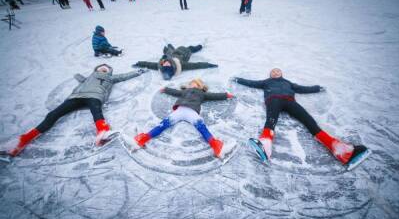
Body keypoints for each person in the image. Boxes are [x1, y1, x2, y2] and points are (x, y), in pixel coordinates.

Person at [233, 68, 371, 169]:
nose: (275, 73)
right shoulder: (266, 82)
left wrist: (317, 88)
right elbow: (252, 83)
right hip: (273, 100)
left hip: (290, 102)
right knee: (271, 120)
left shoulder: (288, 83)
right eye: (273, 72)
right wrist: (238, 79)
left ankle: (341, 150)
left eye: (278, 71)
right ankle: (265, 146)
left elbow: (303, 89)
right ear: (270, 75)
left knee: (310, 121)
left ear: (282, 74)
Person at [7, 64, 148, 157]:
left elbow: (124, 76)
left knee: (96, 111)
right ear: (96, 69)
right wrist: (77, 74)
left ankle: (102, 131)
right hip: (75, 97)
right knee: (53, 114)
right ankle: (25, 138)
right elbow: (78, 77)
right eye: (101, 68)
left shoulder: (111, 78)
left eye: (106, 68)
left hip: (95, 96)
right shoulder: (88, 78)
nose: (104, 69)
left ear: (109, 72)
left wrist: (138, 72)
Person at [132, 79, 234, 158]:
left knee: (202, 128)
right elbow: (175, 92)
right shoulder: (185, 91)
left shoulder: (202, 94)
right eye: (191, 83)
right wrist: (166, 89)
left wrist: (226, 95)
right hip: (179, 111)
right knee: (163, 124)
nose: (191, 85)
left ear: (199, 86)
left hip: (192, 112)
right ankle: (143, 139)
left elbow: (214, 96)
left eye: (194, 83)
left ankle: (216, 146)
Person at [132, 44, 217, 80]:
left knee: (168, 51)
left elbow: (149, 64)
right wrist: (209, 65)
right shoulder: (181, 65)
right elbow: (196, 65)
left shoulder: (162, 64)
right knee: (192, 48)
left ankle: (169, 45)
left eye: (165, 64)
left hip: (173, 52)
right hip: (185, 51)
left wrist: (139, 63)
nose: (166, 63)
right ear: (172, 67)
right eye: (167, 65)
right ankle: (201, 45)